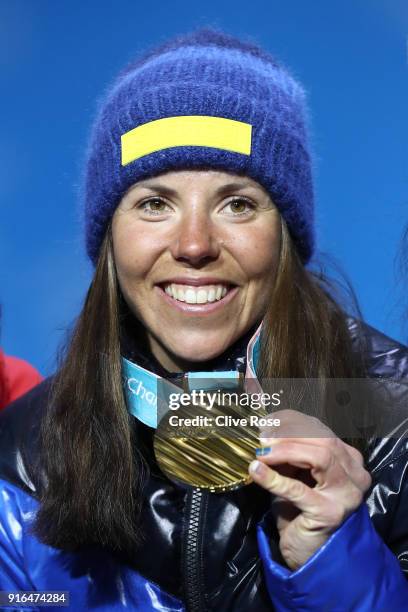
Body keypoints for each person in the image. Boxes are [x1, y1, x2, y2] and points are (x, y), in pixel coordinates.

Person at [1, 28, 408, 611]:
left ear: (284, 235)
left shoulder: (399, 424)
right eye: (154, 204)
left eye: (237, 203)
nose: (194, 244)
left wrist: (333, 564)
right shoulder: (19, 463)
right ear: (109, 237)